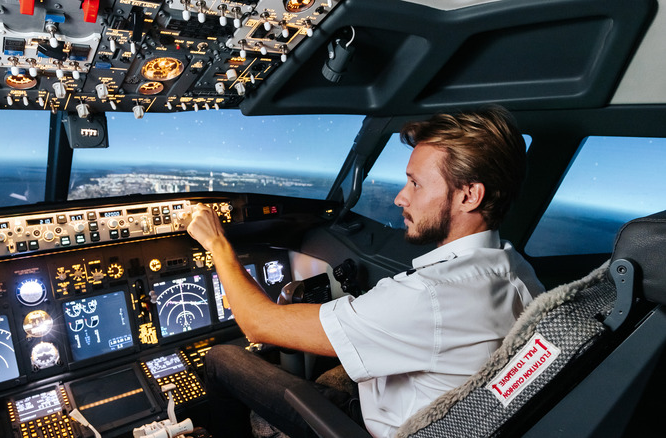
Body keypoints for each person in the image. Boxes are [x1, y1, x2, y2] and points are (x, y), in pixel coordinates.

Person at [187, 105, 545, 438]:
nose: (400, 198)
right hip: (435, 411)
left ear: (469, 195)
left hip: (370, 429)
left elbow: (257, 324)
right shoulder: (516, 269)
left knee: (221, 358)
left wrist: (217, 243)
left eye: (416, 184)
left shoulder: (430, 298)